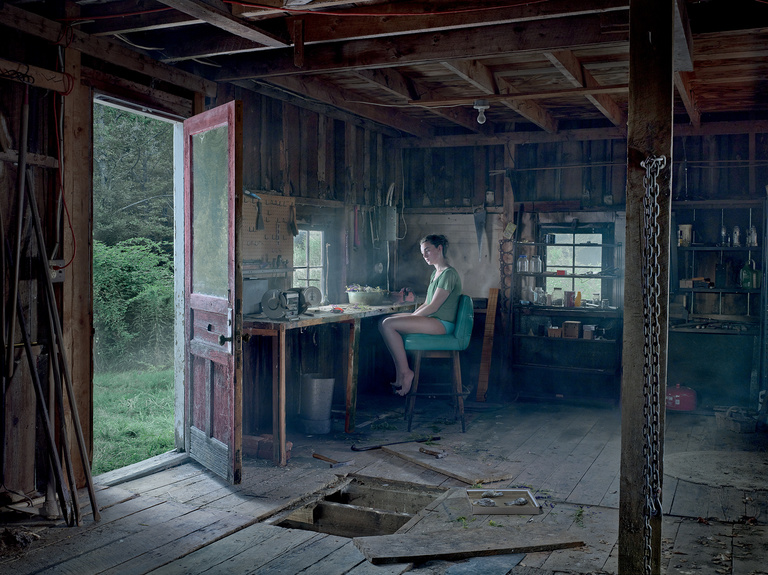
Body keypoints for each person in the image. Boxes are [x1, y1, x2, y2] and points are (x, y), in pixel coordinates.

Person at [379, 234, 462, 396]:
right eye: (423, 252)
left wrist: (411, 317)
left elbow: (434, 306)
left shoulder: (448, 274)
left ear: (440, 248)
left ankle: (406, 372)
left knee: (388, 324)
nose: (424, 256)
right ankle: (400, 373)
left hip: (442, 323)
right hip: (432, 320)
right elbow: (426, 304)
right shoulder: (435, 274)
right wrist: (412, 315)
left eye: (428, 251)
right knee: (383, 321)